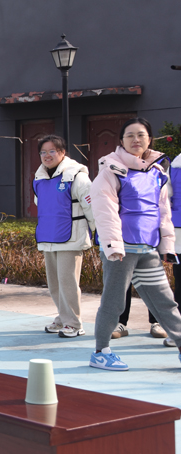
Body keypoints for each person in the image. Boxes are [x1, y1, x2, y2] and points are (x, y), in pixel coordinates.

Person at [89, 118, 181, 370]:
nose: (136, 140)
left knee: (165, 302)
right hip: (122, 250)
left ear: (150, 139)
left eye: (141, 135)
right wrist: (113, 246)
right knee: (114, 302)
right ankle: (100, 352)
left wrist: (166, 247)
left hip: (147, 248)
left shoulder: (157, 172)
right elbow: (105, 210)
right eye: (129, 135)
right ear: (121, 141)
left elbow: (163, 212)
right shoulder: (111, 169)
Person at [32, 135, 95, 338]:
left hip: (71, 238)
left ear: (62, 152)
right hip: (48, 237)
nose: (47, 155)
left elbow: (92, 207)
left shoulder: (77, 176)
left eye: (52, 151)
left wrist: (100, 233)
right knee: (55, 284)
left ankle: (74, 324)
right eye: (43, 152)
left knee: (68, 283)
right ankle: (63, 317)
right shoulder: (39, 178)